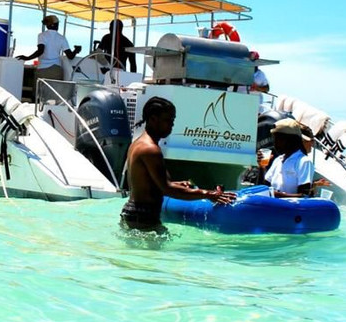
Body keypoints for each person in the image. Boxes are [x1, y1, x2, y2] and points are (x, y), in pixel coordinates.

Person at [120, 96, 236, 232]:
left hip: (134, 214)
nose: (172, 125)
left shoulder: (138, 143)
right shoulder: (150, 149)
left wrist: (176, 184)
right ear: (153, 119)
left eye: (173, 120)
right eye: (167, 120)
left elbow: (150, 184)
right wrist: (209, 194)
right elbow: (166, 189)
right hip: (143, 218)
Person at [16, 15, 81, 82]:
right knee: (54, 92)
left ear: (47, 25)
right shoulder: (62, 38)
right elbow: (70, 56)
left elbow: (40, 51)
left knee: (40, 92)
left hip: (43, 70)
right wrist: (76, 50)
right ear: (56, 25)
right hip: (56, 70)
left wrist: (27, 58)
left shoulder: (42, 35)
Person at [263, 118, 315, 198]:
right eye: (274, 139)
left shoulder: (303, 162)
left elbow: (304, 196)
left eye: (279, 139)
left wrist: (278, 195)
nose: (275, 144)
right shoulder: (278, 160)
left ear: (292, 140)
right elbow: (264, 187)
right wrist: (261, 167)